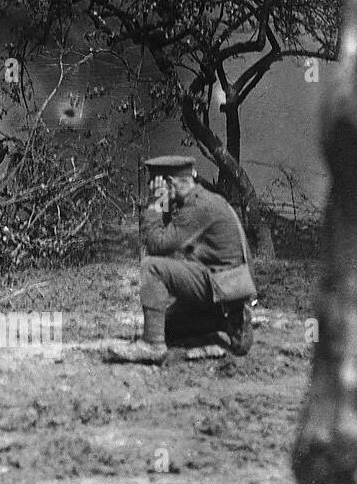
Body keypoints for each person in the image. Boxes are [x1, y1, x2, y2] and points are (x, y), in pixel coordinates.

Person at [109, 155, 256, 364]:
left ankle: (152, 345)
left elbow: (157, 246)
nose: (153, 190)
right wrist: (165, 204)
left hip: (220, 284)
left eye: (156, 186)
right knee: (168, 327)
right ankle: (228, 322)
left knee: (152, 268)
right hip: (228, 287)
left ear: (168, 184)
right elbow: (168, 233)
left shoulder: (198, 208)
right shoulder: (205, 199)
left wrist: (155, 204)